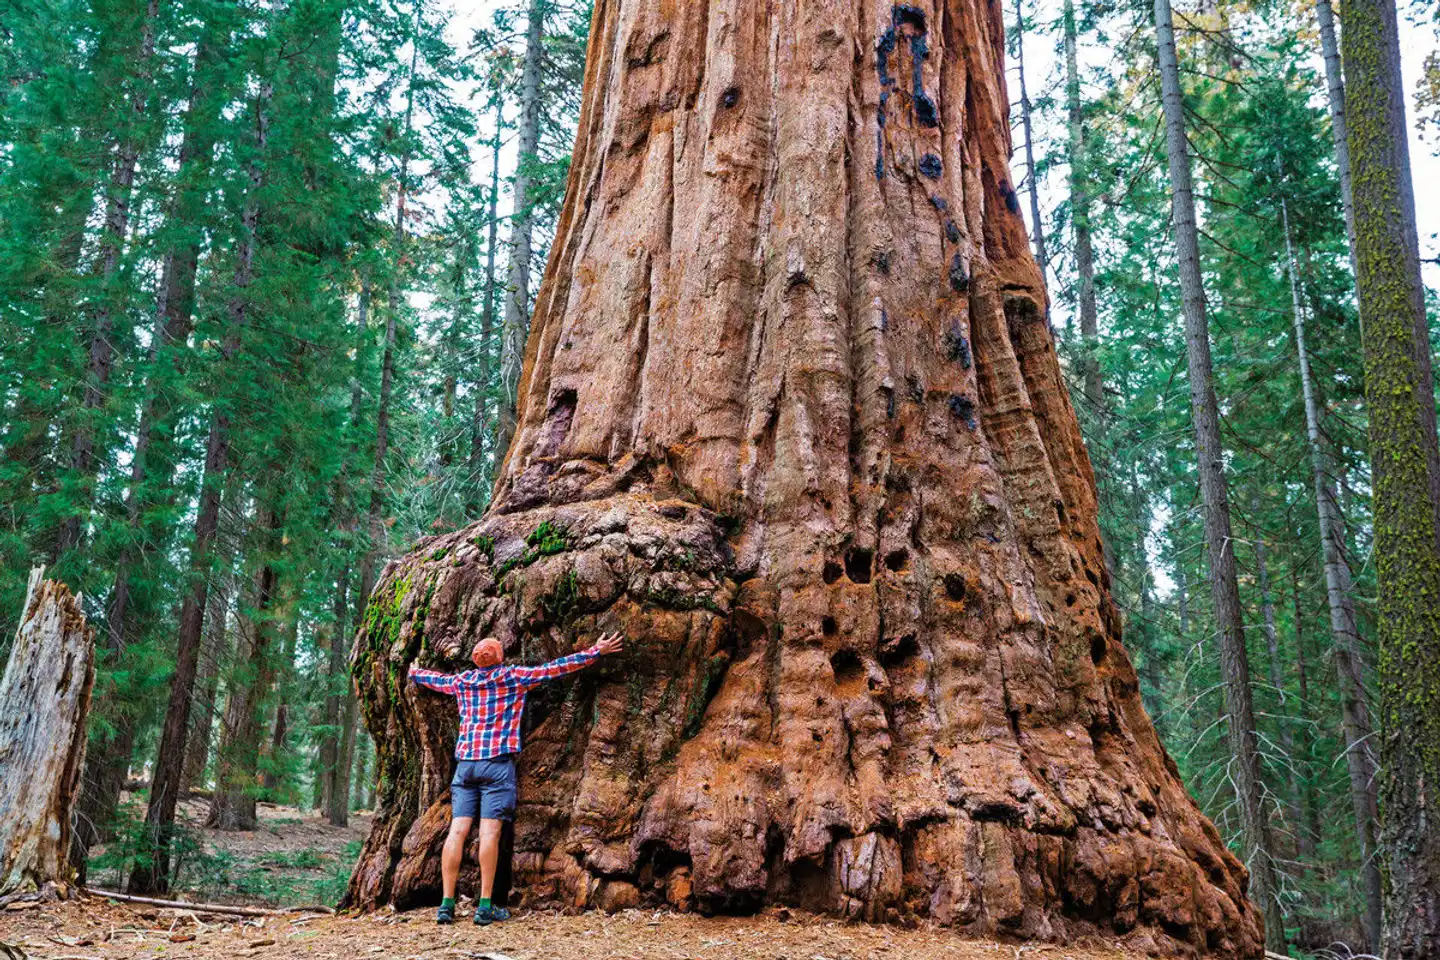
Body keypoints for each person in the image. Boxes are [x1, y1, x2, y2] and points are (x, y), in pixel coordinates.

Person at [408, 630, 625, 925]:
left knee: (457, 832)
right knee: (489, 834)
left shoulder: (463, 682)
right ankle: (484, 906)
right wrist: (595, 651)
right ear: (500, 658)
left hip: (466, 766)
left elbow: (436, 680)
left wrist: (415, 672)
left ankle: (446, 905)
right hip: (497, 766)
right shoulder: (513, 677)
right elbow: (554, 668)